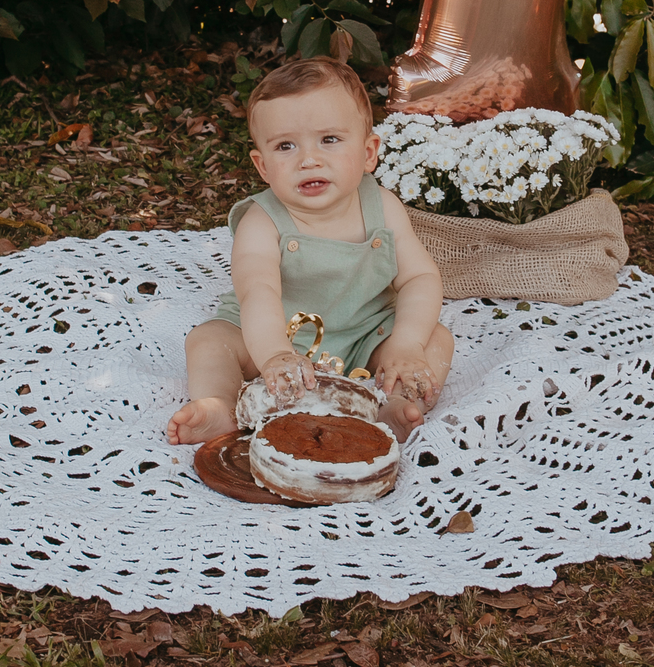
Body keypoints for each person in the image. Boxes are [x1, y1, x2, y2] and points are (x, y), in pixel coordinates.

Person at [167, 56, 454, 445]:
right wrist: (274, 354)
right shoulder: (262, 221)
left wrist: (406, 342)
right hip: (273, 338)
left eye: (329, 140)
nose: (308, 159)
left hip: (366, 336)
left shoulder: (383, 207)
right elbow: (258, 292)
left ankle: (395, 404)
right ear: (263, 166)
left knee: (436, 339)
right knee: (208, 340)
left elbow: (420, 277)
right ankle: (220, 405)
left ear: (369, 152)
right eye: (285, 146)